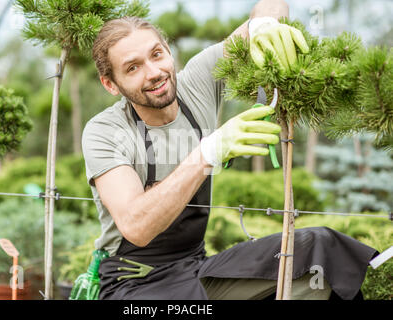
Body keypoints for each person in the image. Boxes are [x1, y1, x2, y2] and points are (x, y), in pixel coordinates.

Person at [82, 0, 377, 300]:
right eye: (133, 68)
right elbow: (137, 226)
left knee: (318, 250)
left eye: (157, 55)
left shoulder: (196, 82)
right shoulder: (105, 131)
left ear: (169, 52)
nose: (154, 72)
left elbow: (271, 5)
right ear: (111, 84)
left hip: (194, 267)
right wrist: (207, 153)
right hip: (133, 284)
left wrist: (264, 27)